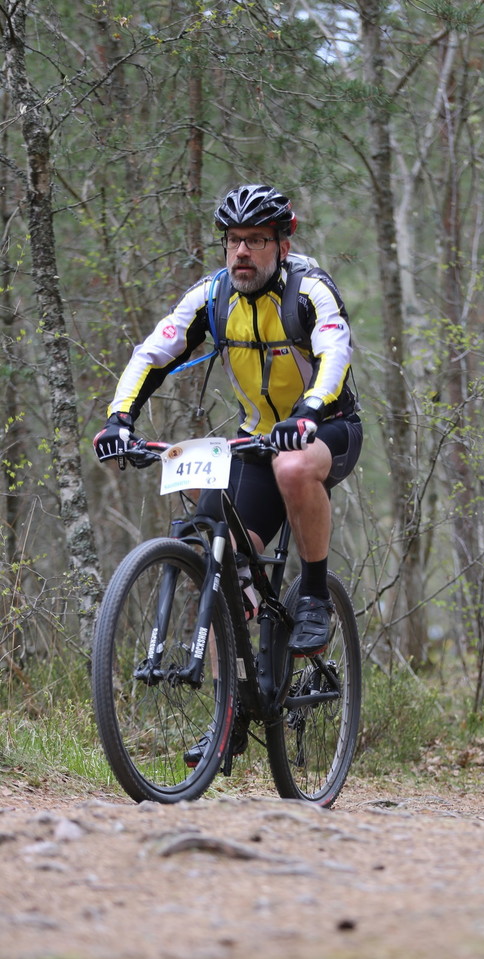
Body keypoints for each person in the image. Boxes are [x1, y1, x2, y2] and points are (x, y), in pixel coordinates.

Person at [93, 182, 363, 659]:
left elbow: (334, 353)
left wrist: (308, 412)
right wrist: (119, 419)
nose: (241, 251)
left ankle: (315, 596)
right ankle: (230, 722)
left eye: (256, 240)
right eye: (233, 239)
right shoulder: (213, 297)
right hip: (256, 440)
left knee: (293, 466)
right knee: (220, 572)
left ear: (282, 246)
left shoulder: (310, 291)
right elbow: (152, 354)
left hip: (327, 429)